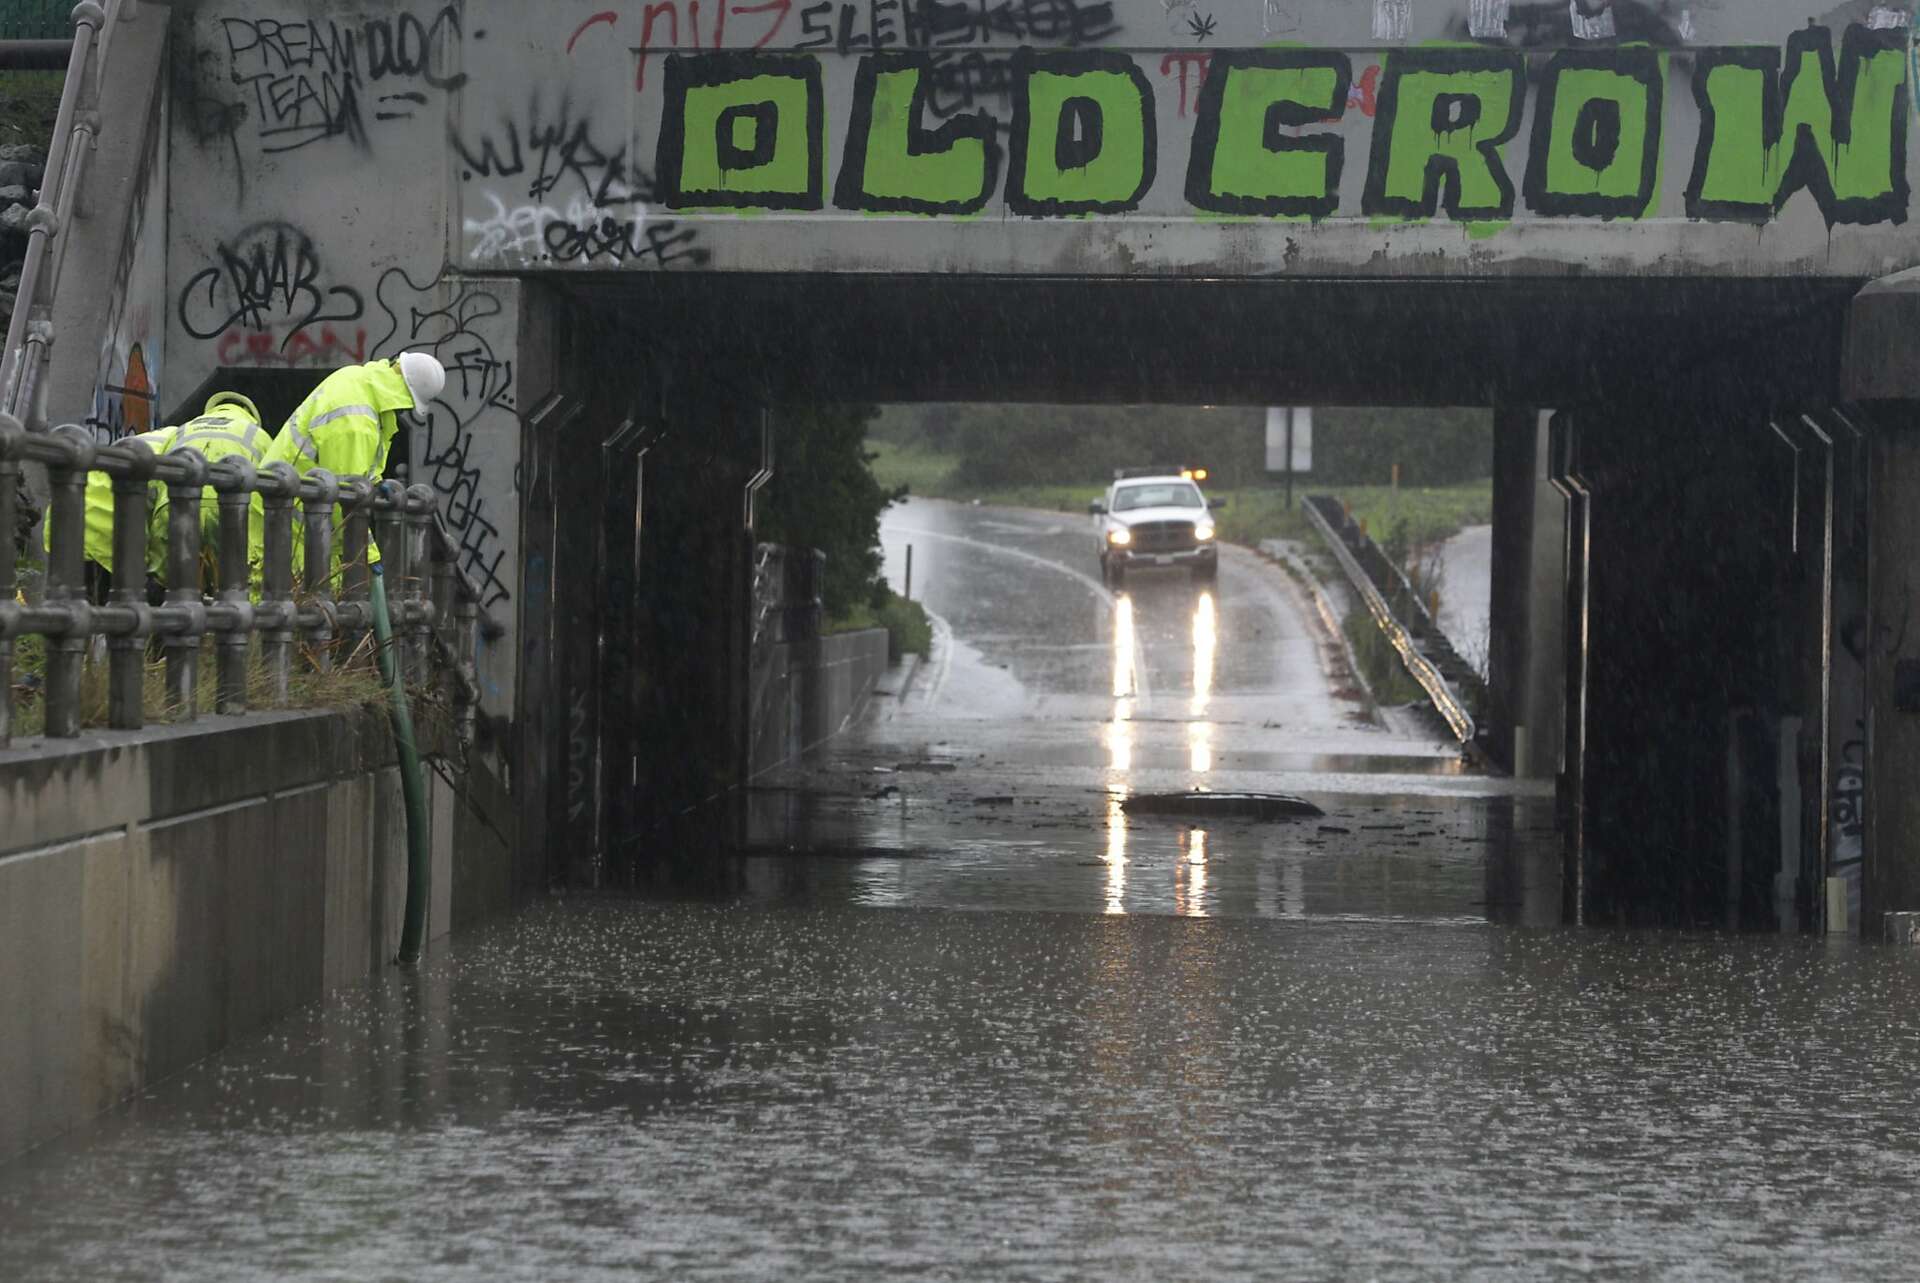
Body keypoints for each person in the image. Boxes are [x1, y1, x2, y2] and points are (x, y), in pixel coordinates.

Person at [48, 392, 268, 599]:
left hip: (66, 515)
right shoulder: (255, 436)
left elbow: (158, 510)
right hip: (108, 534)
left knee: (82, 616)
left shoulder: (176, 434)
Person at [247, 352, 446, 581]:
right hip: (287, 533)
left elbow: (351, 478)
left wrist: (374, 483)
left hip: (293, 523)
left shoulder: (358, 382)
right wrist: (369, 557)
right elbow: (347, 501)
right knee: (286, 611)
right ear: (404, 398)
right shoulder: (357, 423)